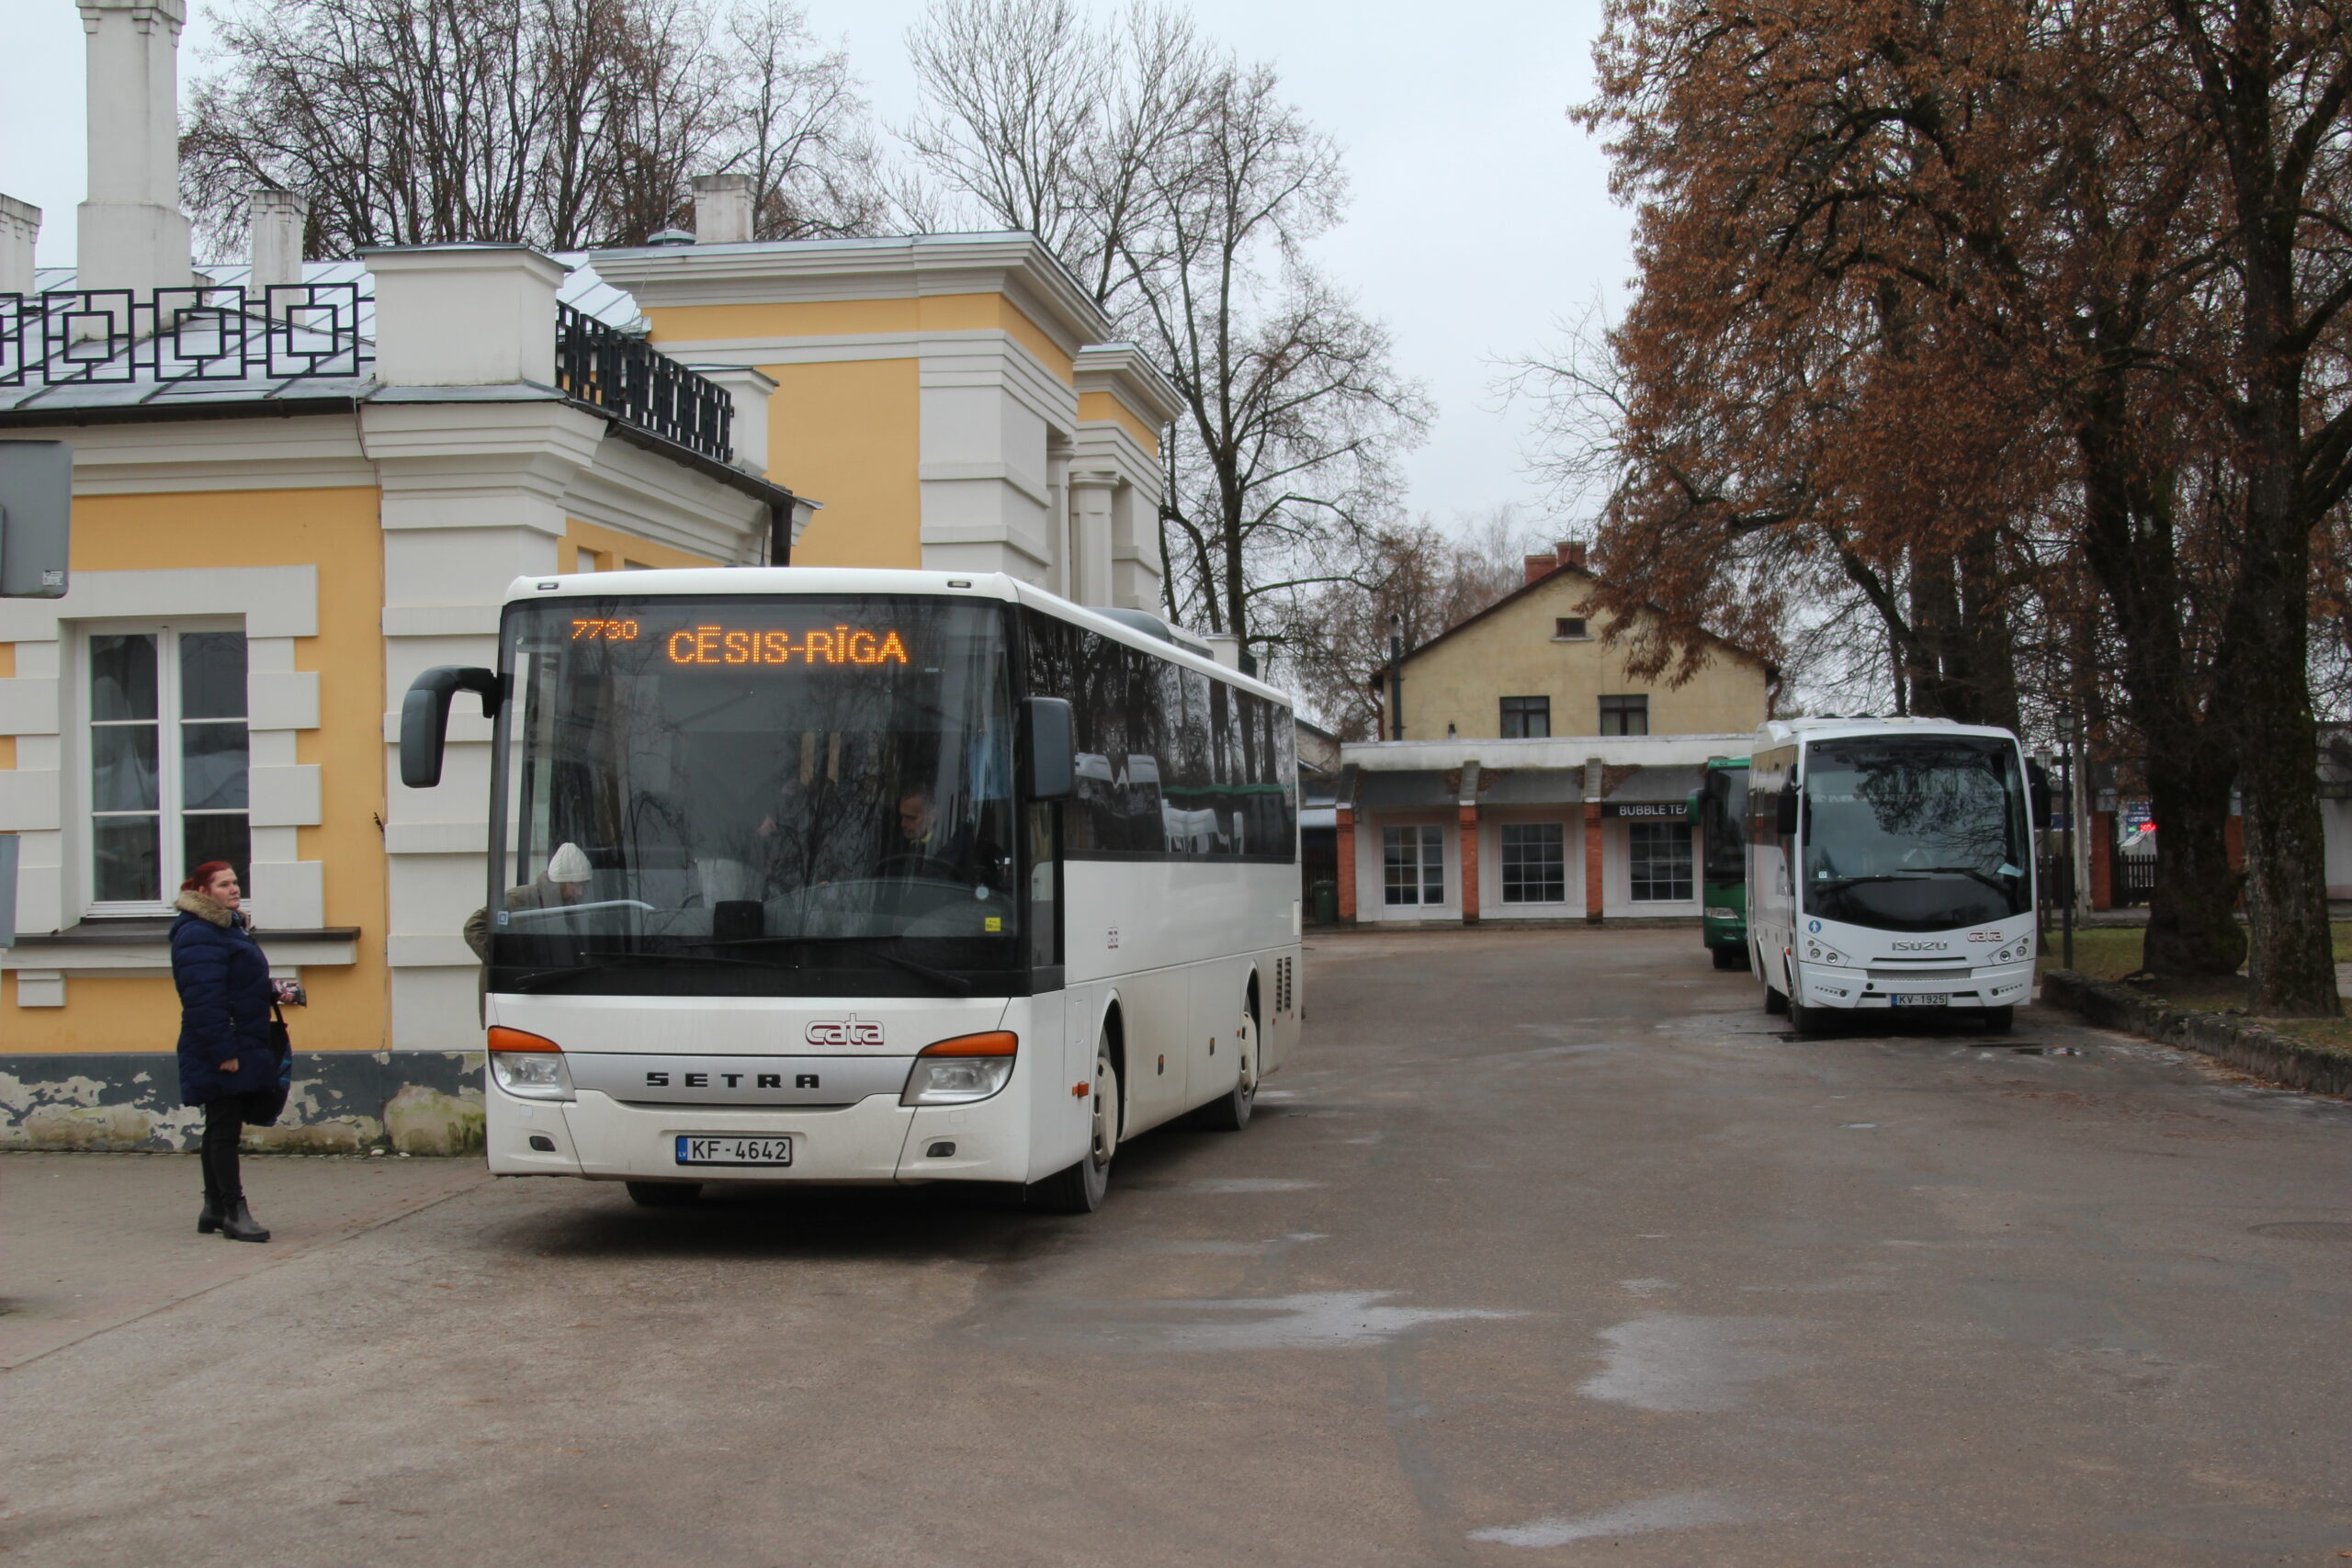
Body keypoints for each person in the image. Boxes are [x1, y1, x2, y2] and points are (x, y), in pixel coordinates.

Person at [172, 861, 288, 1244]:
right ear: (203, 892)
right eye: (224, 884)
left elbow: (237, 983)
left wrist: (275, 992)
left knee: (220, 1126)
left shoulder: (225, 929)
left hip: (237, 1039)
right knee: (224, 1129)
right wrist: (224, 1051)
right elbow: (203, 999)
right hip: (221, 1044)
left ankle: (214, 1208)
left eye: (235, 882)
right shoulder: (198, 933)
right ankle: (234, 1212)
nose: (234, 889)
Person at [464, 841, 594, 962]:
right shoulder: (518, 898)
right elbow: (473, 927)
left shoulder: (572, 909)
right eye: (576, 885)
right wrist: (502, 959)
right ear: (560, 884)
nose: (580, 892)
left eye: (583, 886)